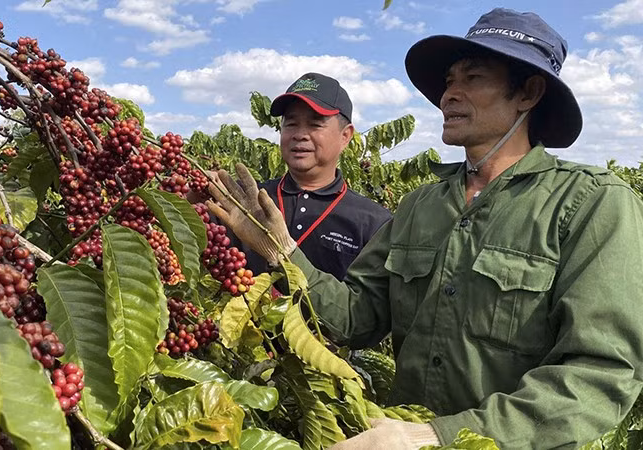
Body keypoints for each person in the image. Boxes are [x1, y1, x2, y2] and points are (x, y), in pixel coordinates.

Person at [207, 8, 643, 450]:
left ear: (528, 92)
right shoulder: (421, 206)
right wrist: (281, 248)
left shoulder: (590, 203)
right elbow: (355, 318)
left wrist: (436, 436)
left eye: (471, 78)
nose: (449, 95)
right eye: (449, 81)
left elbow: (602, 372)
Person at [229, 72, 392, 281]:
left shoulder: (373, 222)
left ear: (345, 136)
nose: (300, 134)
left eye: (315, 124)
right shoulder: (247, 201)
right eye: (291, 124)